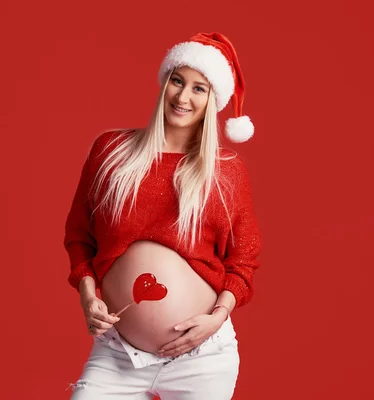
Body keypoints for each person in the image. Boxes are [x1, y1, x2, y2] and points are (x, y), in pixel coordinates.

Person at [63, 32, 261, 400]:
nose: (183, 97)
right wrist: (89, 298)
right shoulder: (111, 151)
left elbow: (244, 260)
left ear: (212, 100)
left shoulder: (226, 172)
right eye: (177, 81)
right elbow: (79, 236)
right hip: (118, 353)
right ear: (164, 83)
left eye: (199, 89)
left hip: (202, 357)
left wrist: (217, 317)